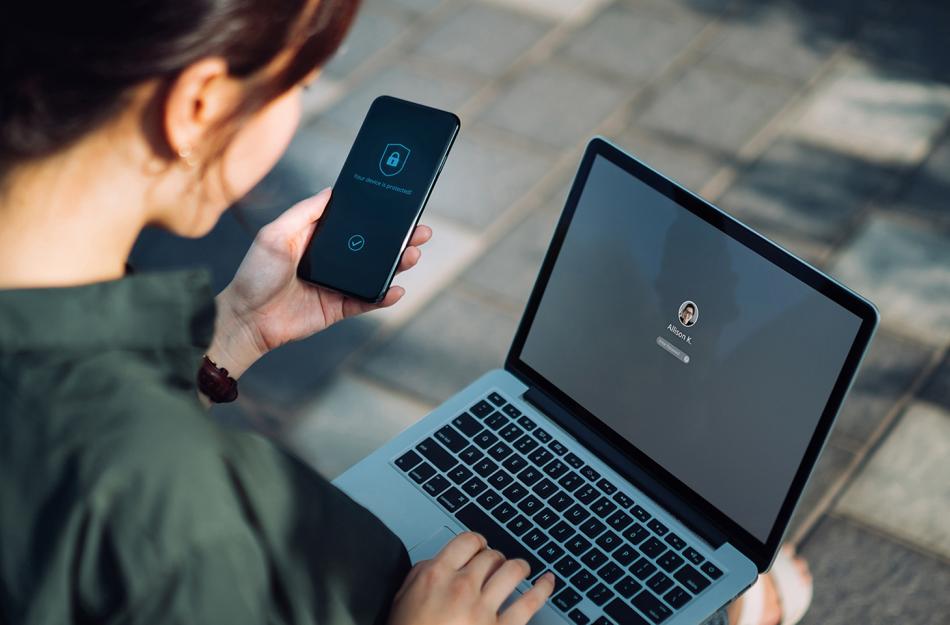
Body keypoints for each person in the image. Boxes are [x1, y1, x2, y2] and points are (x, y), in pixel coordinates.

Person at [0, 1, 811, 624]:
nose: (297, 110)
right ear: (199, 105)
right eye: (299, 83)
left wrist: (233, 334)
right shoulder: (179, 514)